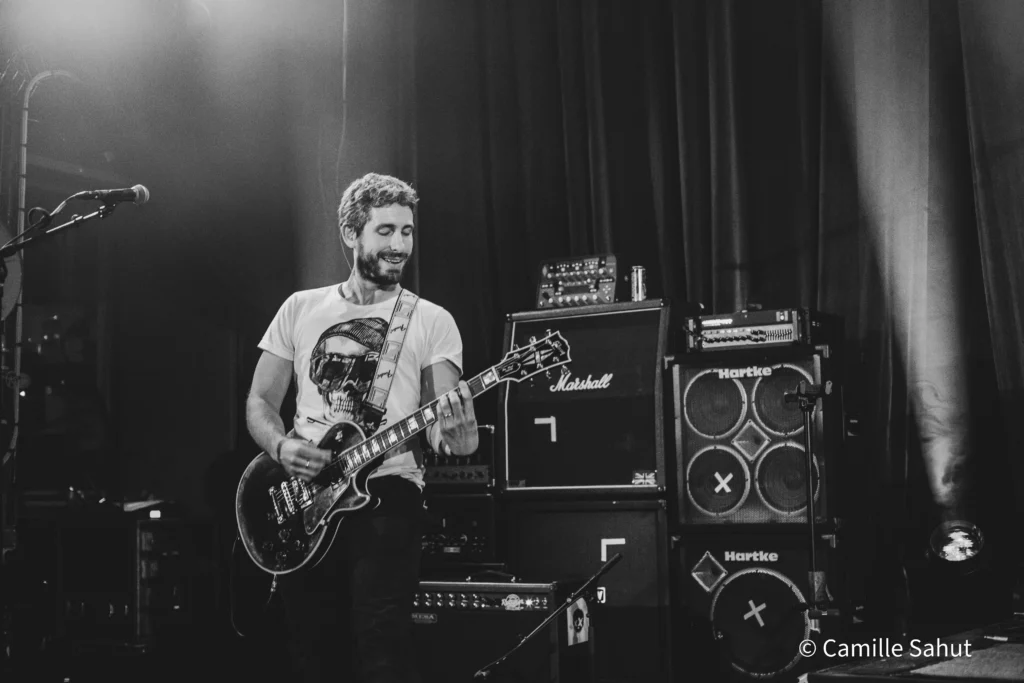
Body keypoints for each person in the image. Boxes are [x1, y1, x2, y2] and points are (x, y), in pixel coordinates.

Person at [245, 172, 478, 682]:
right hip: (305, 494)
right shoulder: (301, 308)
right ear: (352, 234)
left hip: (388, 494)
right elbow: (260, 401)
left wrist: (458, 438)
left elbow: (442, 428)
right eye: (386, 231)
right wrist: (282, 446)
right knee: (309, 646)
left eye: (408, 232)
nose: (400, 245)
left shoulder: (431, 320)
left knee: (381, 647)